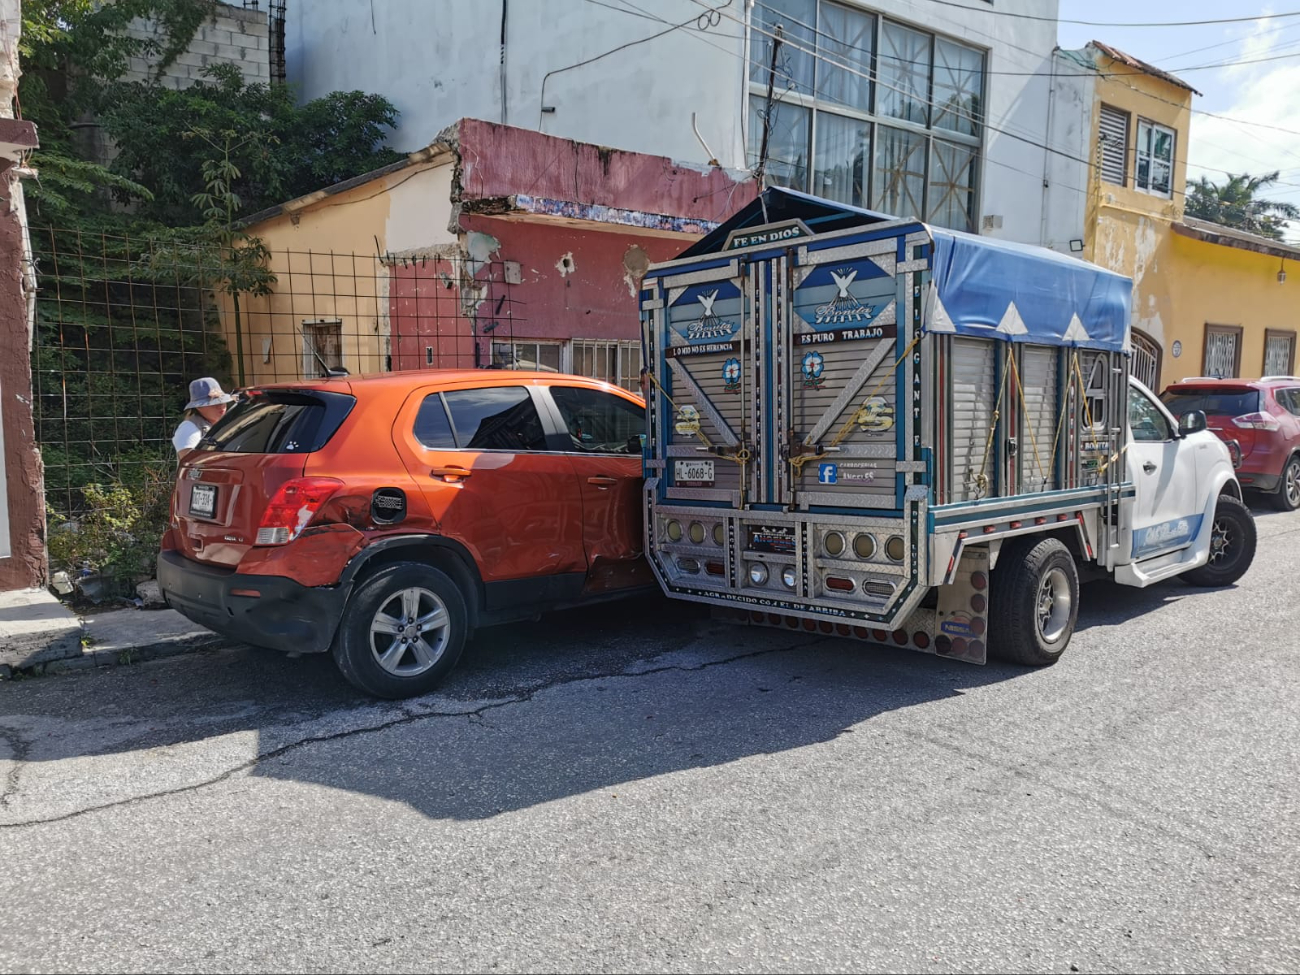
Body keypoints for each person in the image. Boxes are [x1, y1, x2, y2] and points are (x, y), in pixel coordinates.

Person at [173, 377, 236, 461]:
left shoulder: (225, 424)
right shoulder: (188, 428)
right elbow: (191, 463)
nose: (221, 406)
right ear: (199, 407)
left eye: (222, 401)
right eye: (214, 403)